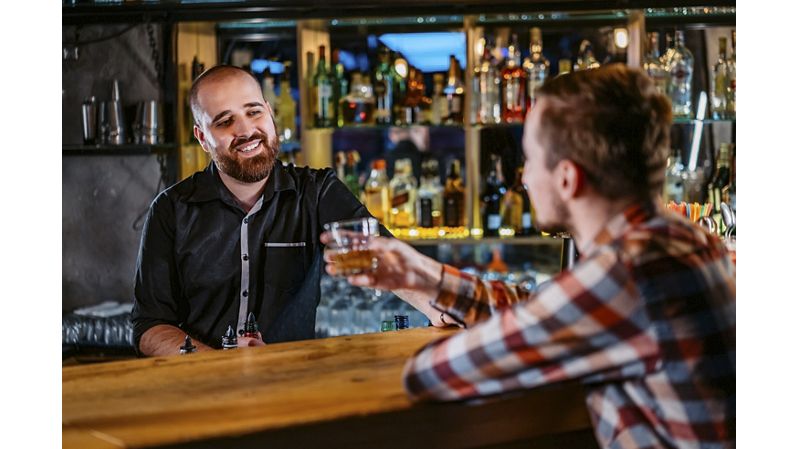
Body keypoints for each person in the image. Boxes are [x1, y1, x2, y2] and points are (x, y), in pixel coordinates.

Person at [323, 65, 735, 448]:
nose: (523, 177)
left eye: (531, 160)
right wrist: (427, 276)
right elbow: (547, 311)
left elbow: (430, 376)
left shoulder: (626, 273)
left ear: (568, 178)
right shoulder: (686, 240)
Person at [131, 65, 437, 356]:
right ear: (202, 138)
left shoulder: (317, 192)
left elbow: (388, 260)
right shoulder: (171, 209)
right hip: (201, 390)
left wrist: (446, 307)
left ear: (269, 111)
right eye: (225, 121)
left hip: (290, 383)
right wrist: (217, 366)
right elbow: (149, 326)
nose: (246, 130)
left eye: (253, 112)